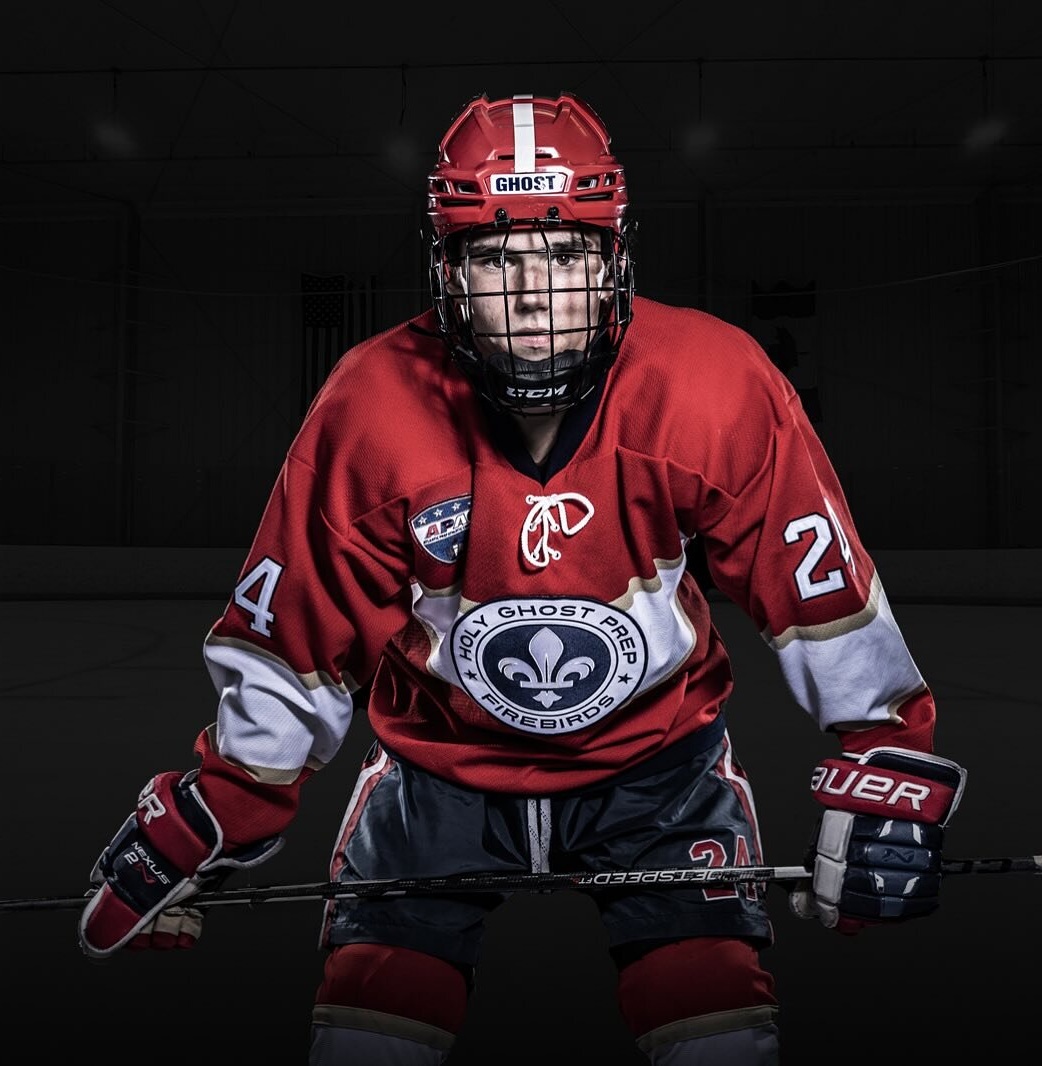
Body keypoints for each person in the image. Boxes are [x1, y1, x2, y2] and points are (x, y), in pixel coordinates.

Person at [78, 92, 967, 1065]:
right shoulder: (371, 404)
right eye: (497, 259)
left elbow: (819, 597)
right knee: (360, 1047)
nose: (534, 293)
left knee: (723, 1042)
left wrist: (883, 759)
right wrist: (221, 808)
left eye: (566, 253)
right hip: (436, 775)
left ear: (614, 258)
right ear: (447, 271)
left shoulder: (715, 385)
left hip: (656, 773)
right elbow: (300, 638)